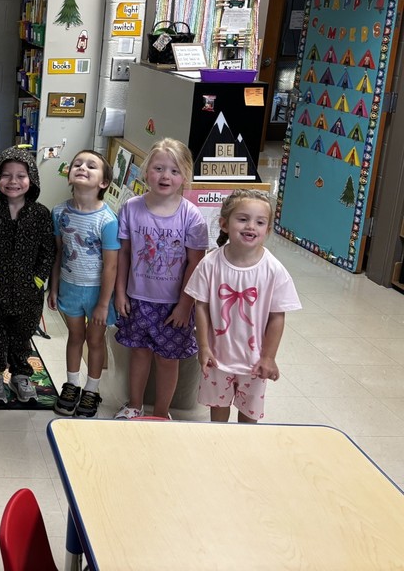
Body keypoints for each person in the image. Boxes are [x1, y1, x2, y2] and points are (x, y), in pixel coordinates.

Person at [114, 138, 208, 420]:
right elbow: (124, 254)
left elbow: (196, 264)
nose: (165, 176)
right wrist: (120, 293)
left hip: (172, 306)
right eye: (158, 168)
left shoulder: (192, 216)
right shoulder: (131, 208)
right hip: (137, 299)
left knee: (168, 360)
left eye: (174, 171)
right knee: (139, 355)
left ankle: (161, 413)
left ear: (185, 177)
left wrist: (185, 305)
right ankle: (134, 405)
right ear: (146, 172)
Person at [186, 189, 300, 422]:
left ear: (267, 230)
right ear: (224, 224)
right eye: (243, 219)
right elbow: (201, 307)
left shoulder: (274, 270)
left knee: (249, 419)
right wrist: (204, 347)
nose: (251, 226)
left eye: (259, 222)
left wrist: (269, 357)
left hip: (254, 362)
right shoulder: (210, 263)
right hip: (218, 358)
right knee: (217, 415)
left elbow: (277, 317)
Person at [0, 146, 54, 404]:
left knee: (22, 335)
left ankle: (21, 374)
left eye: (20, 175)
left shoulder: (41, 214)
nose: (13, 182)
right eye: (6, 175)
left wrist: (38, 280)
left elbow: (47, 251)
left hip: (29, 292)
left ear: (31, 178)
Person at [49, 149, 119, 418]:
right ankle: (72, 384)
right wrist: (53, 287)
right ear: (69, 175)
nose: (82, 168)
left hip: (97, 293)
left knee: (95, 340)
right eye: (78, 164)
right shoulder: (59, 213)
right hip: (69, 286)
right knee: (75, 337)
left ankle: (92, 388)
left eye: (92, 166)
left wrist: (103, 303)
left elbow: (111, 265)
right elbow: (59, 253)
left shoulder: (108, 220)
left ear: (103, 182)